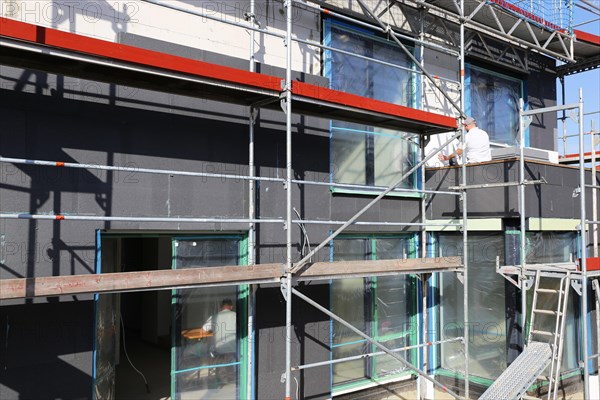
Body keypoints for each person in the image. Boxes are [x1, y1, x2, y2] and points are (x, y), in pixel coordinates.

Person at [202, 299, 237, 384]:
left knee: (220, 358)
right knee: (230, 358)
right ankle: (232, 378)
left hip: (218, 349)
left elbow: (203, 330)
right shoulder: (236, 315)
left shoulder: (215, 316)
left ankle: (222, 379)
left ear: (221, 307)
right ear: (231, 307)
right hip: (233, 348)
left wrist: (214, 331)